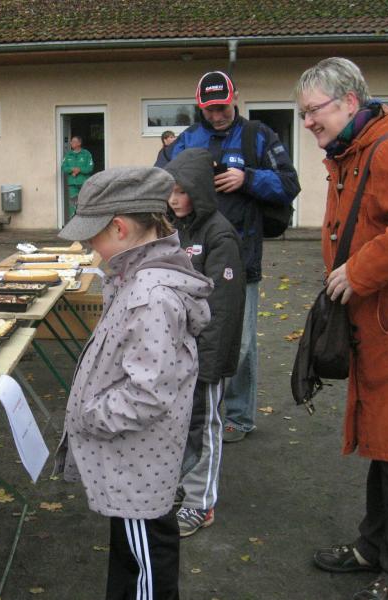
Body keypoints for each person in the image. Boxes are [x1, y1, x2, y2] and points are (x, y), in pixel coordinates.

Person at [295, 57, 388, 600]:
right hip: (382, 325)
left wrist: (360, 270)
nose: (307, 122)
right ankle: (373, 547)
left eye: (313, 111)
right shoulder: (356, 150)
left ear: (349, 102)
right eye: (303, 113)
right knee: (387, 441)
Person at [53, 166, 212, 600]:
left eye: (92, 237)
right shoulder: (135, 278)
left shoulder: (150, 296)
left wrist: (89, 416)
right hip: (133, 463)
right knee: (131, 557)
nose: (89, 246)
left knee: (145, 564)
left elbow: (147, 393)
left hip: (138, 467)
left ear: (119, 229)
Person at [171, 70, 300, 443]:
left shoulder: (258, 135)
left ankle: (239, 417)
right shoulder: (188, 139)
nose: (216, 115)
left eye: (222, 107)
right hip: (192, 258)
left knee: (239, 342)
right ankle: (196, 412)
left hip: (242, 258)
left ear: (235, 98)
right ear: (200, 106)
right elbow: (163, 181)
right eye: (209, 109)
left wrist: (248, 179)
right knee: (192, 335)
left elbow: (289, 184)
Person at [164, 149, 245, 537]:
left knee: (205, 424)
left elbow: (222, 308)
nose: (175, 199)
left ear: (200, 191)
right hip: (179, 352)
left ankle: (201, 503)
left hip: (206, 354)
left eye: (183, 191)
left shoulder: (219, 234)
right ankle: (186, 484)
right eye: (171, 191)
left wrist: (208, 363)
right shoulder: (179, 229)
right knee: (182, 423)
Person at [61, 135, 94, 217]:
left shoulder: (86, 154)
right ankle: (73, 222)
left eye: (73, 141)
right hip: (72, 184)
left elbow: (90, 168)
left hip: (84, 183)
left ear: (79, 143)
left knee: (85, 203)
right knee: (73, 204)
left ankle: (85, 221)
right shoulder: (68, 155)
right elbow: (63, 167)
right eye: (71, 141)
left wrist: (79, 170)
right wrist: (72, 169)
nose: (71, 143)